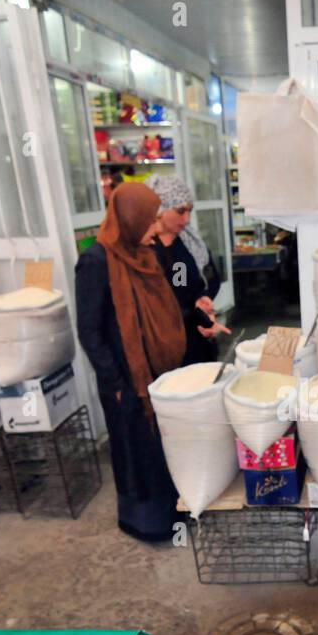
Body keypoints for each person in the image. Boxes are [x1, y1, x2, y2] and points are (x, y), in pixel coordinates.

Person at [75, 182, 188, 543]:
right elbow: (90, 331)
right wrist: (115, 382)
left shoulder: (144, 255)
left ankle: (172, 512)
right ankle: (145, 522)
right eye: (150, 221)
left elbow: (162, 309)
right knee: (135, 449)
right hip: (125, 378)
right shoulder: (95, 262)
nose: (155, 229)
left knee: (162, 446)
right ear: (130, 219)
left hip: (155, 370)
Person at [145, 175, 229, 366]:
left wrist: (202, 298)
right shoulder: (147, 250)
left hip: (197, 339)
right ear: (160, 210)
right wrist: (193, 311)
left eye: (189, 211)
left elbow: (184, 285)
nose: (187, 219)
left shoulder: (185, 243)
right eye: (180, 211)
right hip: (170, 350)